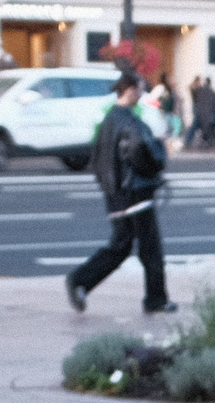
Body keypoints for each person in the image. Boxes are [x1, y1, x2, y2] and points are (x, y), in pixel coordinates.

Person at [65, 72, 173, 315]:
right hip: (136, 191)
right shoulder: (129, 122)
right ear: (131, 89)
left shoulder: (109, 119)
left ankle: (81, 280)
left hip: (116, 193)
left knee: (121, 245)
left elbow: (98, 159)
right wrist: (156, 165)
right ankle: (156, 299)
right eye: (141, 89)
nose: (142, 94)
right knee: (150, 247)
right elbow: (143, 152)